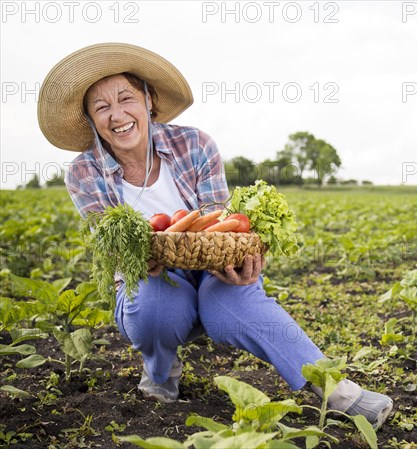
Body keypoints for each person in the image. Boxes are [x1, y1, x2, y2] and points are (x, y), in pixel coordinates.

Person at [37, 42, 393, 429]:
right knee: (155, 303)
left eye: (126, 98)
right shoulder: (84, 173)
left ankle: (338, 391)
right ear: (90, 119)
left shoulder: (195, 145)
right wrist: (143, 258)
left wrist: (245, 263)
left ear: (149, 100)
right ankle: (161, 372)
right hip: (151, 280)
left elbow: (223, 227)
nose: (117, 115)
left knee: (239, 302)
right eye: (101, 107)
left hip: (211, 271)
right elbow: (114, 248)